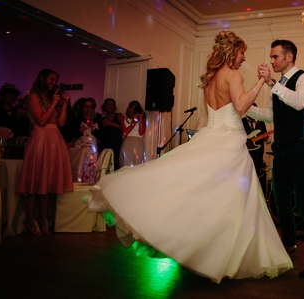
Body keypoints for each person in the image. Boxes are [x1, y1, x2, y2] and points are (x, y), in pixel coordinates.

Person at [88, 31, 291, 283]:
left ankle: (210, 253)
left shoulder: (209, 79)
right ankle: (220, 256)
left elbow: (233, 109)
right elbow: (240, 107)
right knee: (231, 204)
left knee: (207, 198)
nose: (243, 58)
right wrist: (261, 82)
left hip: (211, 137)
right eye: (241, 53)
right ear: (231, 52)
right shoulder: (234, 75)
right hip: (229, 145)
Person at [247, 39, 304, 278]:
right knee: (280, 201)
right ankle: (289, 243)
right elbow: (272, 115)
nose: (272, 61)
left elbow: (299, 102)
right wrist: (246, 108)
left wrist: (272, 83)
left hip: (302, 149)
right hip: (281, 151)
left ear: (289, 57)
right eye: (271, 58)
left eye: (275, 57)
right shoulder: (279, 84)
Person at [16, 69, 73, 235]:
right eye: (51, 79)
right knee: (34, 180)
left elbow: (61, 122)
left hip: (55, 139)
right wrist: (55, 103)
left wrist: (64, 105)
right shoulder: (32, 96)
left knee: (47, 182)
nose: (53, 83)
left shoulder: (50, 97)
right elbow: (41, 119)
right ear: (42, 78)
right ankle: (30, 219)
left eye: (55, 81)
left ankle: (43, 218)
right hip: (40, 137)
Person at [69, 97, 104, 183]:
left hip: (92, 151)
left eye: (90, 107)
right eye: (86, 106)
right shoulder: (77, 120)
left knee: (91, 171)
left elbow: (101, 136)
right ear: (82, 108)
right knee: (79, 170)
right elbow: (75, 134)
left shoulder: (97, 121)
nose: (88, 109)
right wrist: (86, 124)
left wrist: (93, 127)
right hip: (80, 150)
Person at [242, 104, 268, 189]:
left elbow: (267, 140)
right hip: (245, 155)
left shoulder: (261, 123)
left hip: (258, 156)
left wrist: (267, 138)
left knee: (256, 178)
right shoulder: (241, 121)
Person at [99, 98, 124, 170]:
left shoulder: (118, 116)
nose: (110, 107)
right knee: (104, 164)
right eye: (108, 105)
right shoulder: (102, 119)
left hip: (115, 144)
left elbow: (123, 129)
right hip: (105, 144)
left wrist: (111, 124)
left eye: (112, 105)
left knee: (114, 163)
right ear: (104, 107)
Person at [120, 100, 146, 167]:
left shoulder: (142, 119)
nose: (135, 111)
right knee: (125, 164)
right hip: (127, 144)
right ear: (129, 108)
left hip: (138, 144)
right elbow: (125, 133)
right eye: (134, 109)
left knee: (137, 164)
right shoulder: (124, 119)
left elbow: (141, 132)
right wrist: (134, 122)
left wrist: (140, 118)